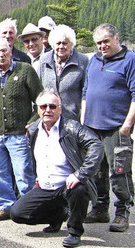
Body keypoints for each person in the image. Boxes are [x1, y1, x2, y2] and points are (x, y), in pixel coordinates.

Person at [11, 90, 103, 247]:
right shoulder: (33, 130)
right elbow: (35, 157)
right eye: (44, 106)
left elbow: (96, 144)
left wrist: (80, 174)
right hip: (46, 186)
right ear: (37, 109)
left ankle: (74, 231)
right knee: (17, 214)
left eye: (52, 106)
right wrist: (38, 176)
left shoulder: (71, 127)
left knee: (79, 191)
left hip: (68, 185)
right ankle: (58, 215)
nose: (48, 110)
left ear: (60, 109)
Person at [0, 37, 43, 221]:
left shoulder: (25, 70)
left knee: (23, 173)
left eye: (4, 51)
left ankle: (29, 209)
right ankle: (5, 206)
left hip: (19, 134)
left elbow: (41, 100)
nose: (1, 55)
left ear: (11, 51)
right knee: (0, 173)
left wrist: (33, 122)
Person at [81, 23, 135, 232]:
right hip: (93, 127)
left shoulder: (130, 60)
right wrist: (83, 120)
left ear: (116, 38)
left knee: (119, 171)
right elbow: (86, 92)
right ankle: (100, 209)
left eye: (105, 41)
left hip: (116, 128)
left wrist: (126, 126)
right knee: (96, 171)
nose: (102, 46)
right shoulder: (94, 60)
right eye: (98, 43)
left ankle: (122, 211)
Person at [38, 25, 87, 121]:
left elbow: (85, 93)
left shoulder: (83, 61)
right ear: (53, 44)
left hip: (72, 119)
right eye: (58, 43)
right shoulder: (44, 60)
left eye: (65, 43)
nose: (61, 46)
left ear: (71, 44)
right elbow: (39, 90)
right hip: (48, 119)